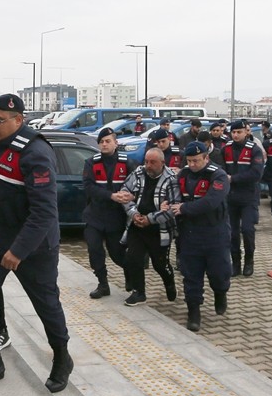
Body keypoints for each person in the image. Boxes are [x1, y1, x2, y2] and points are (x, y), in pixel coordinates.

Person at [0, 94, 73, 393]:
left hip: (34, 247)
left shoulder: (35, 152)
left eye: (0, 120)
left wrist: (18, 251)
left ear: (18, 120)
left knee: (46, 304)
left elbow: (45, 212)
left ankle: (62, 357)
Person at [170, 142, 232, 333]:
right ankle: (193, 312)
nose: (193, 164)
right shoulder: (183, 175)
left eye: (196, 160)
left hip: (215, 232)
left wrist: (184, 208)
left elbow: (212, 201)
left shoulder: (218, 175)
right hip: (190, 233)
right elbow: (172, 195)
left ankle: (220, 293)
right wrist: (168, 204)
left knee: (219, 273)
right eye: (189, 161)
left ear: (206, 158)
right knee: (191, 275)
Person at [118, 148, 180, 306]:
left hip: (159, 229)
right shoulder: (138, 173)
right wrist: (133, 213)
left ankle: (169, 282)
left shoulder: (171, 179)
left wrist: (150, 219)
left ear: (162, 163)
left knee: (160, 265)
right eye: (146, 161)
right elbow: (124, 192)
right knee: (133, 258)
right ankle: (139, 292)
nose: (148, 165)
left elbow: (173, 208)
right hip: (136, 225)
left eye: (153, 162)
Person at [83, 127, 130, 300]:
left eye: (108, 141)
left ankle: (130, 274)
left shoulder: (127, 162)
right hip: (95, 216)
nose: (104, 144)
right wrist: (111, 195)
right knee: (94, 249)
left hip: (116, 217)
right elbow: (88, 187)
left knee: (117, 253)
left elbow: (136, 184)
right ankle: (103, 284)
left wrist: (129, 195)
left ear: (116, 143)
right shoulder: (91, 163)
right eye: (101, 142)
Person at [221, 119, 265, 276]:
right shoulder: (225, 149)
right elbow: (220, 170)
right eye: (233, 132)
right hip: (231, 197)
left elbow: (256, 173)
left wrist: (233, 178)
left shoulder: (254, 150)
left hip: (249, 197)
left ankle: (249, 261)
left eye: (239, 132)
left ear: (246, 132)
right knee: (232, 233)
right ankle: (236, 263)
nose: (235, 135)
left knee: (247, 230)